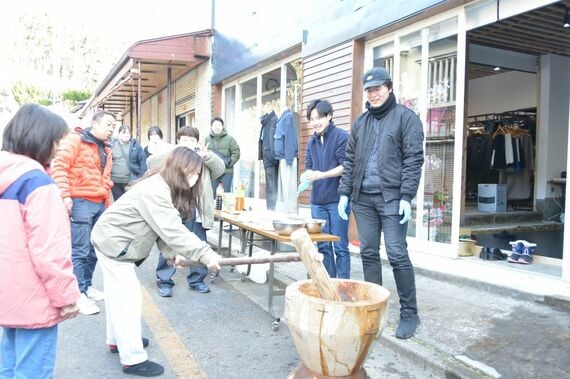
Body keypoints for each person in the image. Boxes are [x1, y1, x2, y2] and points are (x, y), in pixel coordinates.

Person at [91, 146, 222, 377]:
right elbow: (172, 230)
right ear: (176, 168)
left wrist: (173, 255)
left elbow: (160, 230)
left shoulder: (163, 186)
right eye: (190, 172)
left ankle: (116, 340)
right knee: (128, 299)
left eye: (197, 174)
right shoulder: (155, 190)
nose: (194, 178)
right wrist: (207, 254)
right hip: (114, 244)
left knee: (117, 297)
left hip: (111, 240)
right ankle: (132, 358)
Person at [338, 67, 424, 339]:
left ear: (388, 88)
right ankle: (374, 309)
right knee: (368, 253)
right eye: (369, 90)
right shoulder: (360, 123)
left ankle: (410, 313)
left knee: (397, 254)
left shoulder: (406, 118)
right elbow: (350, 161)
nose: (373, 94)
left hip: (392, 198)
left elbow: (413, 159)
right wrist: (344, 193)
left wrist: (406, 196)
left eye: (377, 89)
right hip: (363, 200)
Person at [0, 104, 80, 378]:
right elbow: (51, 252)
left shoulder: (6, 175)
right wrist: (67, 297)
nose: (58, 149)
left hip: (7, 293)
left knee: (8, 366)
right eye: (57, 141)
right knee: (32, 371)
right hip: (34, 296)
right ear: (42, 139)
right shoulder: (38, 184)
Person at [51, 110, 116, 315]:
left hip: (99, 201)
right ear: (94, 124)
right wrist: (65, 195)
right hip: (80, 200)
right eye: (108, 124)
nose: (111, 129)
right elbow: (59, 166)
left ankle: (86, 287)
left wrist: (107, 202)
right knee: (79, 249)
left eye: (113, 125)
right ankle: (78, 295)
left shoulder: (106, 147)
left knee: (94, 248)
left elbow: (105, 177)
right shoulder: (75, 140)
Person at [151, 126, 225, 297]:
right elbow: (151, 163)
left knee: (198, 242)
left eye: (192, 140)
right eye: (184, 139)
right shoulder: (172, 156)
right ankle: (164, 280)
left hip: (196, 208)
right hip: (175, 206)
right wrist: (174, 152)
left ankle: (197, 280)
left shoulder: (202, 158)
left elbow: (220, 169)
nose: (188, 143)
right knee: (169, 242)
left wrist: (207, 156)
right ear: (178, 141)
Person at [298, 99, 350, 279]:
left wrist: (321, 175)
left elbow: (345, 166)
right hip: (317, 201)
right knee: (323, 245)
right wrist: (305, 177)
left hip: (337, 200)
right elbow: (309, 166)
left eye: (319, 117)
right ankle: (329, 286)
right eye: (312, 119)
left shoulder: (341, 136)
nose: (315, 122)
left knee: (340, 245)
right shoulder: (312, 141)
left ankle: (343, 287)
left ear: (329, 116)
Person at [110, 124, 147, 201]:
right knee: (118, 203)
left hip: (131, 181)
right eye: (124, 132)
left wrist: (142, 176)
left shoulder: (136, 146)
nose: (126, 135)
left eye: (128, 133)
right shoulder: (111, 145)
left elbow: (142, 161)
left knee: (130, 202)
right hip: (115, 182)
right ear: (119, 134)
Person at [205, 117, 240, 193]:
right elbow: (203, 154)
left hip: (227, 171)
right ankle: (213, 205)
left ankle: (225, 205)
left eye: (219, 125)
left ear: (222, 126)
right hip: (213, 171)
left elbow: (236, 152)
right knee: (212, 193)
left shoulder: (230, 139)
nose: (217, 127)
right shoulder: (206, 139)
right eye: (215, 125)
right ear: (211, 127)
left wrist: (230, 163)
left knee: (226, 193)